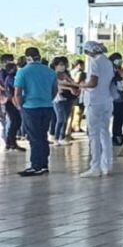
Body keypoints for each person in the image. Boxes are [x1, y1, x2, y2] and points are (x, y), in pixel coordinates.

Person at [13, 47, 57, 176]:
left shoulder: (23, 72)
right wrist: (48, 100)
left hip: (31, 107)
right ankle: (44, 164)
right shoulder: (50, 71)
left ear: (27, 57)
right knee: (43, 135)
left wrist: (20, 106)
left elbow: (18, 93)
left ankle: (36, 165)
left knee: (34, 137)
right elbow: (54, 91)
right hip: (47, 107)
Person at [78, 41, 115, 177]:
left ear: (89, 52)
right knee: (105, 133)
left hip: (94, 101)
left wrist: (83, 85)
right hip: (107, 100)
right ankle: (107, 165)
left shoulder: (94, 62)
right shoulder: (108, 62)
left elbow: (93, 82)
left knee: (93, 134)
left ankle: (95, 167)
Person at [108, 53, 123, 146]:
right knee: (118, 118)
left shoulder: (122, 71)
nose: (119, 61)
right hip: (116, 98)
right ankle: (116, 135)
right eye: (117, 59)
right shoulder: (110, 71)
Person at [51, 57, 77, 146]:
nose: (63, 67)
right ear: (55, 65)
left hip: (68, 98)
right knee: (60, 118)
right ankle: (56, 137)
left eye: (64, 65)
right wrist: (69, 87)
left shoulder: (65, 74)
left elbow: (72, 82)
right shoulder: (53, 75)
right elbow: (57, 85)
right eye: (61, 65)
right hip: (58, 99)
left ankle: (62, 137)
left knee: (65, 118)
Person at [1, 60, 23, 151]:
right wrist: (17, 105)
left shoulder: (11, 77)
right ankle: (10, 143)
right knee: (15, 122)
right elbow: (12, 93)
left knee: (15, 122)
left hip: (11, 102)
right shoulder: (11, 78)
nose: (16, 69)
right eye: (14, 68)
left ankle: (11, 143)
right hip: (11, 103)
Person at [69, 59, 86, 135]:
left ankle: (76, 126)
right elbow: (76, 82)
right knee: (78, 110)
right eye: (82, 65)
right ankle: (76, 126)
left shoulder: (71, 72)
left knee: (77, 110)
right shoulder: (79, 73)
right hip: (78, 93)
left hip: (76, 93)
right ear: (79, 65)